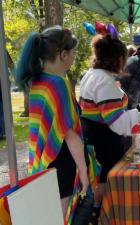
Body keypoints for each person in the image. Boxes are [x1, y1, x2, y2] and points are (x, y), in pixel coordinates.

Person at [79, 34, 140, 223]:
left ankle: (99, 212)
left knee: (103, 180)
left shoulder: (92, 74)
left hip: (97, 138)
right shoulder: (105, 82)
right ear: (118, 58)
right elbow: (119, 123)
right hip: (106, 142)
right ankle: (105, 215)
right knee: (107, 181)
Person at [14, 26, 89, 217]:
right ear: (63, 54)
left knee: (48, 216)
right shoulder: (58, 84)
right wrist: (84, 171)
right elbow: (70, 135)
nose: (74, 57)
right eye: (73, 52)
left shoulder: (38, 82)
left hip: (45, 161)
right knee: (59, 217)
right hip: (62, 160)